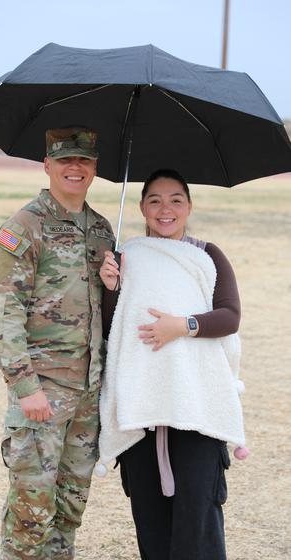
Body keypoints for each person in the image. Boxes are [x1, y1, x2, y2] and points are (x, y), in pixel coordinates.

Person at [99, 168, 247, 560]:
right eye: (155, 201)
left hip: (194, 402)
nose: (166, 209)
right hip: (143, 401)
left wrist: (182, 326)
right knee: (150, 518)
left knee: (197, 513)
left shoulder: (206, 254)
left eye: (175, 200)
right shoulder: (126, 257)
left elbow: (229, 316)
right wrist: (111, 288)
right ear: (142, 208)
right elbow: (112, 329)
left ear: (189, 206)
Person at [0, 126, 114, 560]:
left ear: (95, 167)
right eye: (65, 160)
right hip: (43, 392)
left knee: (70, 508)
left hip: (88, 395)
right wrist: (27, 388)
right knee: (31, 513)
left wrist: (116, 283)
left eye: (84, 160)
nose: (75, 168)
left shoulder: (100, 231)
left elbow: (104, 312)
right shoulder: (25, 226)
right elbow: (3, 317)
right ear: (47, 165)